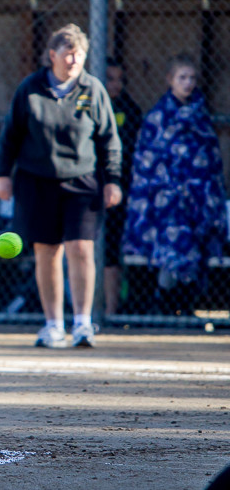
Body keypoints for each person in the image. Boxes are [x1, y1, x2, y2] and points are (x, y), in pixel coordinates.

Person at [0, 24, 121, 348]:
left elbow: (109, 140)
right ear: (52, 55)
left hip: (83, 180)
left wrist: (113, 181)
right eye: (68, 53)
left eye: (80, 54)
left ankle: (82, 324)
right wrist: (2, 175)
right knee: (47, 251)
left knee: (81, 249)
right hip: (37, 181)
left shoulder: (92, 89)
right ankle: (53, 325)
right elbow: (10, 136)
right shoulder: (30, 89)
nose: (75, 59)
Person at [122, 53, 227, 315]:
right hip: (166, 202)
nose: (188, 83)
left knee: (196, 254)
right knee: (170, 255)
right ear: (170, 80)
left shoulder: (201, 115)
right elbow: (147, 161)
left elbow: (210, 157)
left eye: (192, 78)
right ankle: (165, 306)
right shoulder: (158, 117)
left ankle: (185, 304)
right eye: (182, 77)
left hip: (197, 200)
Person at [102, 58, 143, 315]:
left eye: (120, 80)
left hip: (118, 190)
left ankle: (109, 311)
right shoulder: (84, 103)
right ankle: (76, 310)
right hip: (85, 188)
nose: (116, 85)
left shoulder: (129, 109)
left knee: (110, 251)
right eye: (110, 79)